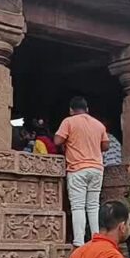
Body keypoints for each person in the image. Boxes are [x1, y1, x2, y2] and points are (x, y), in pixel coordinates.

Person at [55, 96, 109, 247]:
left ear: (71, 110)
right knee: (93, 206)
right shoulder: (98, 124)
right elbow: (105, 146)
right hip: (97, 169)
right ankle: (96, 237)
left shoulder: (69, 121)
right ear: (87, 110)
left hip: (77, 168)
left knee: (78, 206)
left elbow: (57, 141)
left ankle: (79, 241)